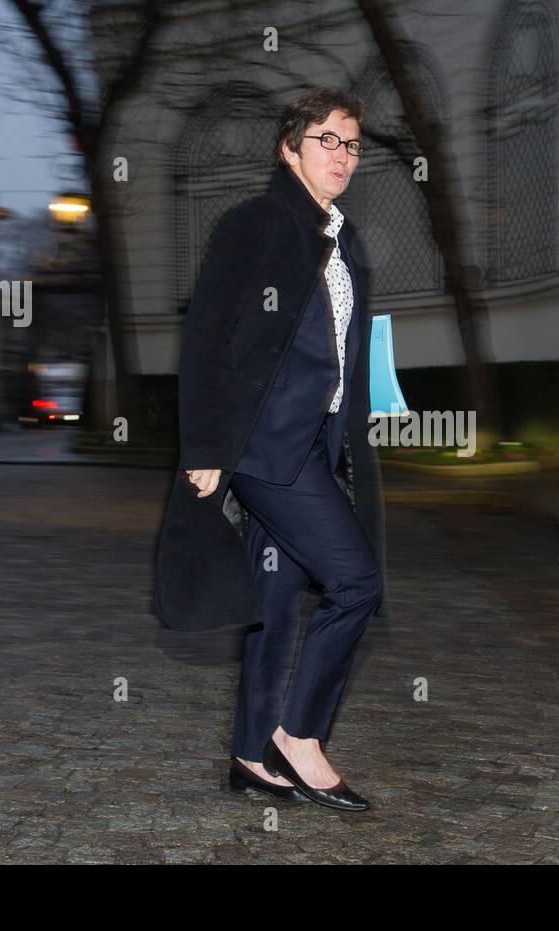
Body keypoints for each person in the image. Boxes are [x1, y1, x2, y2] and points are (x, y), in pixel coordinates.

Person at [179, 88, 383, 812]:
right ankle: (300, 737)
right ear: (289, 148)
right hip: (268, 448)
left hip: (313, 444)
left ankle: (247, 752)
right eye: (327, 140)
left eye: (352, 144)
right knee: (356, 581)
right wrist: (206, 444)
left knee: (273, 600)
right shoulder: (258, 224)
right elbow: (209, 334)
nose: (343, 156)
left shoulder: (341, 235)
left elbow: (342, 349)